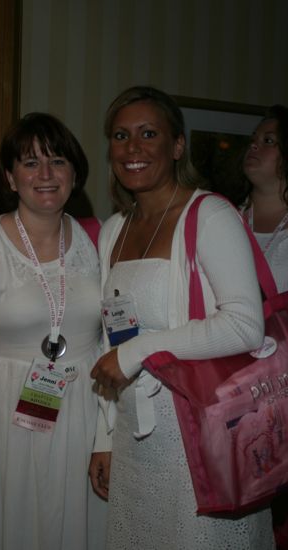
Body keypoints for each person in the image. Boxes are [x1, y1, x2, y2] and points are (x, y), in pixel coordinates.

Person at [89, 86, 276, 549]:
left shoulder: (210, 215)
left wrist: (135, 353)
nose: (132, 148)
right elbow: (108, 341)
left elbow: (243, 324)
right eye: (120, 135)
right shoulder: (113, 230)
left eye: (148, 133)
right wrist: (105, 438)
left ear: (176, 146)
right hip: (135, 439)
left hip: (202, 433)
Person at [0, 112, 104, 550]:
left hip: (80, 422)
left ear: (75, 173)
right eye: (30, 163)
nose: (46, 174)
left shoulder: (98, 240)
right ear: (10, 178)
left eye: (58, 161)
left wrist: (106, 438)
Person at [241, 104, 288, 550]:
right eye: (255, 138)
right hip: (239, 392)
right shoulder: (224, 221)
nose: (255, 145)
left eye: (270, 140)